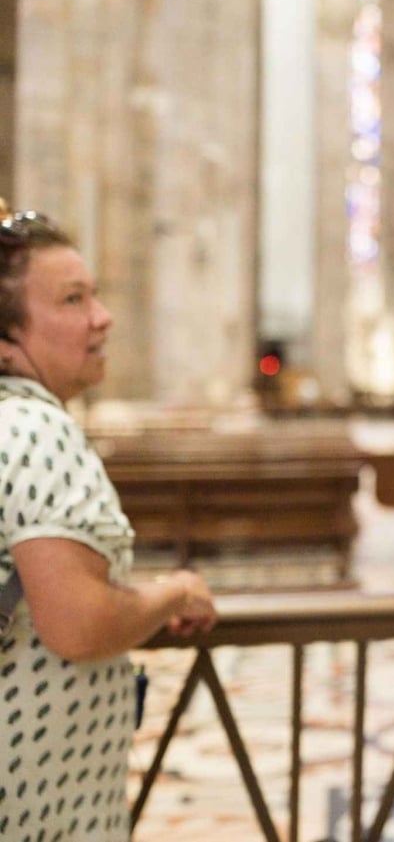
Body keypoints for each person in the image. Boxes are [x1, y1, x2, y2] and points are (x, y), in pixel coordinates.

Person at [0, 202, 217, 842]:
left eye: (93, 295)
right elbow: (78, 622)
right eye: (72, 300)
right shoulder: (36, 429)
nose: (103, 317)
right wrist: (173, 593)